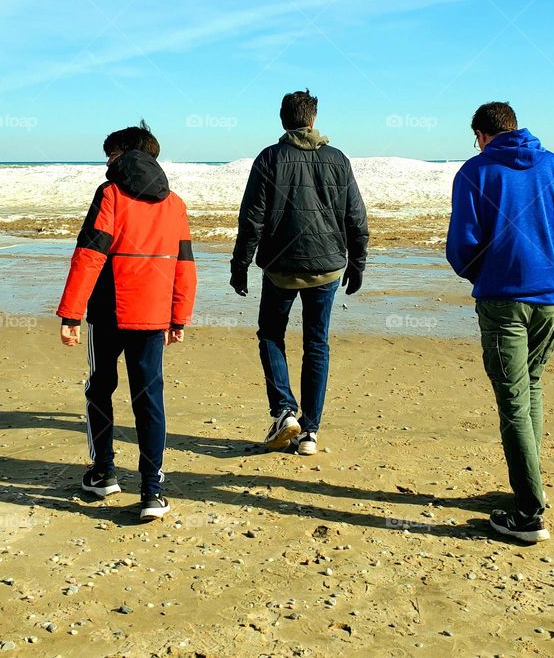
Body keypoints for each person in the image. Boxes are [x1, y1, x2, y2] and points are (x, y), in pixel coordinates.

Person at [446, 102, 554, 543]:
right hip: (548, 297)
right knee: (530, 387)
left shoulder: (476, 171)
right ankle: (531, 488)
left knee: (513, 399)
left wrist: (487, 276)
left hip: (503, 300)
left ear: (481, 134)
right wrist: (549, 269)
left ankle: (528, 513)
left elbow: (462, 244)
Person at [57, 120, 197, 520]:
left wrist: (71, 312)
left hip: (107, 313)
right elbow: (185, 264)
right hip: (154, 315)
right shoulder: (174, 203)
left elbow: (90, 254)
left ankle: (103, 473)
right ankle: (152, 491)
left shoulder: (110, 193)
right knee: (149, 399)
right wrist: (179, 316)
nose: (107, 164)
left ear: (126, 155)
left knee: (100, 389)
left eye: (111, 156)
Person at [231, 90, 368, 456]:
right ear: (313, 119)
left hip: (280, 267)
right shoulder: (337, 159)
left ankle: (284, 411)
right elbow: (356, 217)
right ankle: (309, 432)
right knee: (316, 344)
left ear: (283, 119)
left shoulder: (270, 158)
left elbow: (252, 219)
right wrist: (358, 262)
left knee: (271, 335)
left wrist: (240, 265)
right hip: (327, 267)